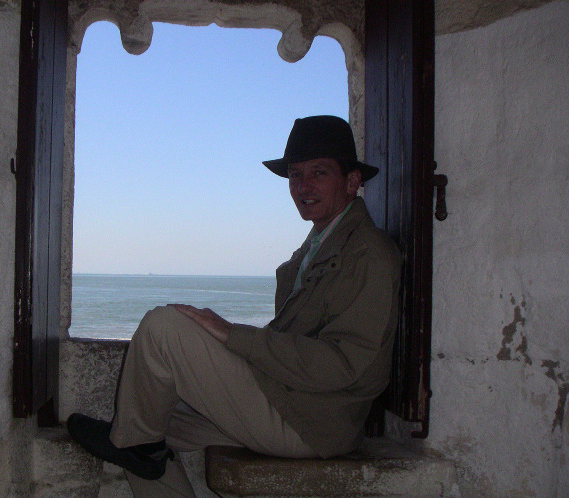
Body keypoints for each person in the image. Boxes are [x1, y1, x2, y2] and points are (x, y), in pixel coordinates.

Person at [67, 115, 402, 497]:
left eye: (319, 173)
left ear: (352, 181)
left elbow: (344, 365)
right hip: (290, 400)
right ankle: (136, 444)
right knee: (146, 424)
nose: (303, 186)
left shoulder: (369, 254)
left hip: (313, 423)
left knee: (163, 328)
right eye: (295, 175)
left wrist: (233, 335)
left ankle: (134, 444)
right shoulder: (318, 248)